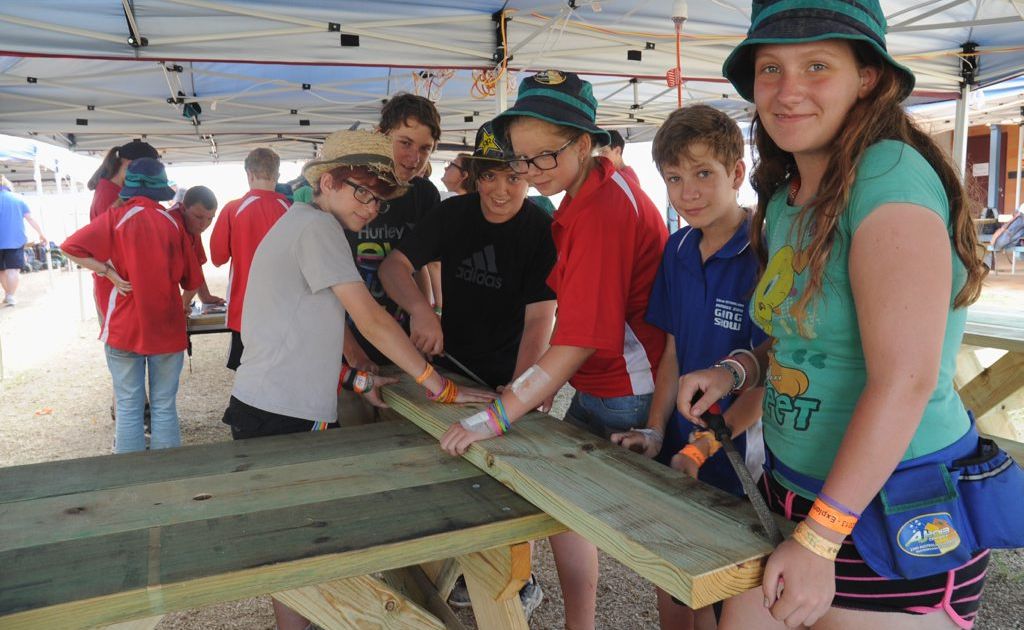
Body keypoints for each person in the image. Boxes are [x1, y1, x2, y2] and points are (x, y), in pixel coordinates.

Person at [674, 1, 1024, 628]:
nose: (788, 90)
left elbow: (906, 378)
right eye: (771, 68)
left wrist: (818, 540)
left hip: (890, 509)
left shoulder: (887, 175)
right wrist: (736, 372)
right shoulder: (790, 191)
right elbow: (803, 338)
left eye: (817, 66)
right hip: (792, 491)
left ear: (867, 77)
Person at [219, 130, 492, 630]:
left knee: (293, 544)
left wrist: (354, 380)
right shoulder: (318, 229)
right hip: (281, 415)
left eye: (378, 200)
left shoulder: (301, 222)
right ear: (328, 182)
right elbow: (370, 319)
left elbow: (299, 333)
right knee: (301, 546)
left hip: (269, 406)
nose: (370, 208)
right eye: (361, 192)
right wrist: (438, 385)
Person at [439, 70, 668, 630]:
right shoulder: (591, 191)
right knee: (565, 511)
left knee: (658, 538)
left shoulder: (600, 211)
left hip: (627, 389)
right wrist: (538, 387)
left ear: (584, 143)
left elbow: (579, 338)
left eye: (545, 156)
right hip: (606, 382)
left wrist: (498, 414)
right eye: (521, 159)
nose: (530, 171)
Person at [610, 104, 767, 630]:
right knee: (675, 583)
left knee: (730, 597)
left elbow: (772, 375)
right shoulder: (677, 249)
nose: (688, 192)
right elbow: (672, 353)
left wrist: (704, 447)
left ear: (737, 173)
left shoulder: (764, 251)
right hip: (680, 450)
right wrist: (656, 432)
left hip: (741, 460)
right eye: (674, 178)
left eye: (703, 174)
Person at [62, 158, 202, 453]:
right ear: (160, 188)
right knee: (164, 405)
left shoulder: (115, 218)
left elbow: (70, 247)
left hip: (124, 325)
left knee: (128, 406)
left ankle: (130, 475)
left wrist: (107, 272)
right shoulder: (172, 223)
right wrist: (179, 305)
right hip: (166, 326)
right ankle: (169, 473)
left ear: (129, 186)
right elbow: (192, 281)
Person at [342, 93, 442, 423]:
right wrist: (353, 353)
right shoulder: (351, 189)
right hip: (349, 347)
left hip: (402, 347)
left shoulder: (424, 195)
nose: (414, 158)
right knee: (354, 435)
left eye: (425, 148)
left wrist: (424, 314)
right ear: (382, 135)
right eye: (405, 143)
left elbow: (417, 264)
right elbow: (323, 289)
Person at [209, 148, 289, 370]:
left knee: (246, 373)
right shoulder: (290, 210)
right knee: (280, 372)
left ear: (249, 174)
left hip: (245, 309)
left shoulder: (233, 209)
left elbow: (218, 258)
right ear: (277, 175)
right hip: (284, 308)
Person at [169, 185, 224, 306]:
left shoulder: (193, 227)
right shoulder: (171, 225)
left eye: (210, 218)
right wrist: (183, 304)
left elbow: (196, 263)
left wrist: (205, 296)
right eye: (198, 217)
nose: (203, 224)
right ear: (183, 208)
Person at [0, 177, 46, 306]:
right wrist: (41, 233)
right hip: (15, 240)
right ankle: (10, 296)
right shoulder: (18, 199)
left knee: (1, 271)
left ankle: (8, 294)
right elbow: (30, 219)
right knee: (13, 270)